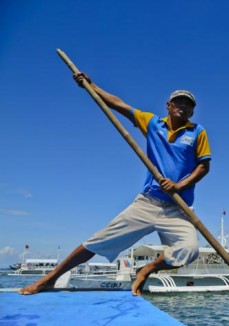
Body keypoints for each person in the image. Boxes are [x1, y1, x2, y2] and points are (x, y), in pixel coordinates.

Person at [19, 72, 211, 295]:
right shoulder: (152, 122)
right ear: (168, 105)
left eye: (189, 105)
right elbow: (120, 105)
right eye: (179, 101)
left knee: (189, 250)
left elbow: (203, 166)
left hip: (179, 208)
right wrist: (92, 87)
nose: (184, 107)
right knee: (98, 240)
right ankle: (49, 279)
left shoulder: (198, 132)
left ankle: (147, 269)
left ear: (193, 111)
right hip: (148, 202)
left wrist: (180, 186)